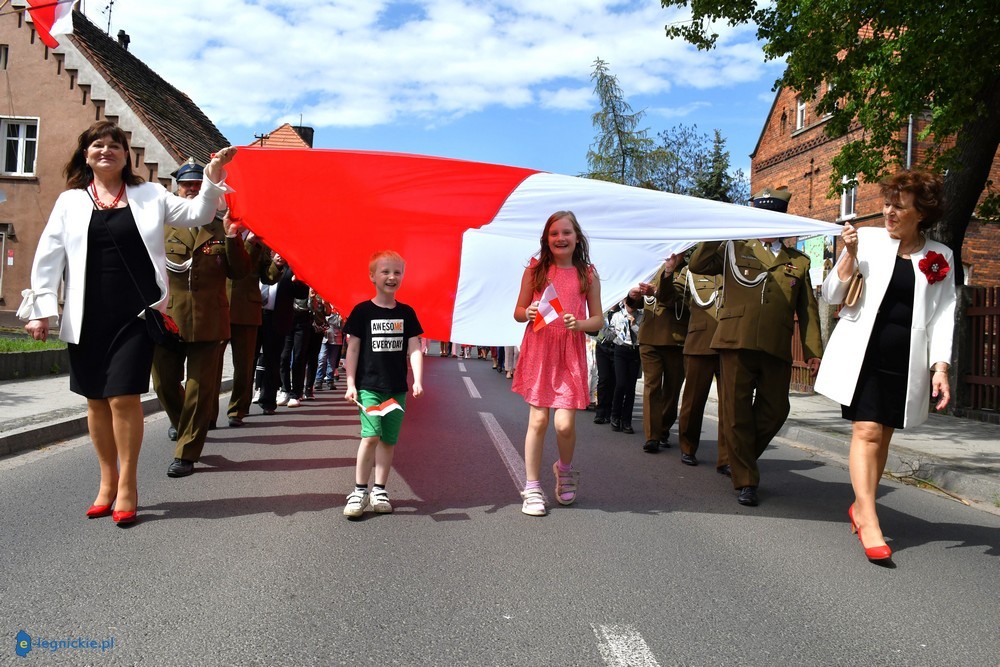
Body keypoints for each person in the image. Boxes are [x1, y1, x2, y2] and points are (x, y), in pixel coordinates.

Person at [17, 120, 236, 524]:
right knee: (96, 400)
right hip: (87, 314)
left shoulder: (149, 194)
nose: (106, 151)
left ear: (125, 155)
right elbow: (49, 255)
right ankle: (107, 480)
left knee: (123, 397)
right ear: (86, 155)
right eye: (97, 145)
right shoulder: (70, 202)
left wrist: (212, 176)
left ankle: (128, 485)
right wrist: (40, 310)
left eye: (114, 145)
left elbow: (198, 213)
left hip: (136, 313)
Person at [814, 170, 955, 565]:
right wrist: (849, 256)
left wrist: (940, 367)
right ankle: (869, 518)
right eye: (887, 204)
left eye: (899, 207)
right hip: (864, 354)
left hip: (906, 359)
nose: (889, 212)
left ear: (921, 213)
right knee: (867, 430)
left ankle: (861, 506)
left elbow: (944, 314)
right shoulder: (867, 239)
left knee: (884, 435)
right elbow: (832, 294)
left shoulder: (940, 256)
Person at [688, 187, 823, 507]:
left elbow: (808, 310)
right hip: (735, 339)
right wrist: (719, 229)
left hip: (776, 344)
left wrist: (813, 351)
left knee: (776, 409)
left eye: (773, 217)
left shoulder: (798, 261)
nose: (768, 222)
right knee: (735, 413)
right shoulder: (734, 247)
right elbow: (698, 264)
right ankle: (746, 480)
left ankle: (739, 456)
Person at [153, 160, 251, 478]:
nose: (193, 189)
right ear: (177, 188)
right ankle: (184, 424)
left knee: (199, 389)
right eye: (187, 184)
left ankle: (186, 453)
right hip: (168, 318)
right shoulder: (162, 224)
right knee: (163, 383)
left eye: (199, 184)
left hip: (209, 319)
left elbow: (240, 272)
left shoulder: (221, 226)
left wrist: (233, 238)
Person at [512, 211, 603, 517]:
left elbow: (598, 320)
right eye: (554, 233)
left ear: (577, 238)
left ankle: (564, 469)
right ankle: (532, 487)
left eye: (566, 232)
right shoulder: (536, 270)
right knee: (538, 421)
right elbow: (518, 311)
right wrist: (528, 312)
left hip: (570, 352)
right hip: (540, 349)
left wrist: (580, 323)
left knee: (564, 425)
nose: (560, 238)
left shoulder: (588, 274)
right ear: (546, 239)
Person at [342, 250, 424, 518]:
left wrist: (417, 380)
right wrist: (351, 383)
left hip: (396, 389)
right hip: (369, 387)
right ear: (372, 276)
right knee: (371, 436)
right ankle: (359, 491)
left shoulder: (407, 313)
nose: (392, 277)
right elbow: (353, 349)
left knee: (388, 440)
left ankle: (379, 490)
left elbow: (414, 348)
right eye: (385, 272)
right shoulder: (362, 311)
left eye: (397, 272)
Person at [626, 253, 689, 453]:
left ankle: (663, 429)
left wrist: (663, 282)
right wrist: (632, 297)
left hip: (674, 338)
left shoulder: (689, 271)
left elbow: (676, 301)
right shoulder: (653, 268)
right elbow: (637, 304)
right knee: (652, 387)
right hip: (649, 337)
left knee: (672, 390)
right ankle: (652, 436)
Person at [219, 238, 277, 427]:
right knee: (211, 365)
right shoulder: (218, 232)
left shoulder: (260, 241)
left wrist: (277, 264)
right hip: (219, 306)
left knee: (244, 366)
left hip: (247, 310)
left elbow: (268, 276)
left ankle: (237, 410)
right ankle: (207, 414)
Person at [677, 267, 728, 470]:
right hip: (700, 343)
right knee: (693, 402)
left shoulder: (735, 267)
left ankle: (726, 458)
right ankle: (688, 447)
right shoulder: (692, 271)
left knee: (730, 406)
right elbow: (673, 295)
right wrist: (666, 275)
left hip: (730, 344)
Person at [608, 298, 643, 435]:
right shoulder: (617, 316)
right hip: (620, 350)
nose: (631, 306)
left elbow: (642, 336)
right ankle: (615, 416)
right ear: (624, 301)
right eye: (629, 302)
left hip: (634, 352)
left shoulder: (641, 316)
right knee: (621, 384)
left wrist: (634, 325)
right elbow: (610, 333)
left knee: (630, 388)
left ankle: (626, 421)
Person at [591, 306, 618, 425]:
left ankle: (610, 412)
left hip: (617, 347)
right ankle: (600, 412)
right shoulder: (602, 310)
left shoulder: (623, 311)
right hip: (602, 346)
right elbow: (593, 330)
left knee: (614, 380)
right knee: (603, 379)